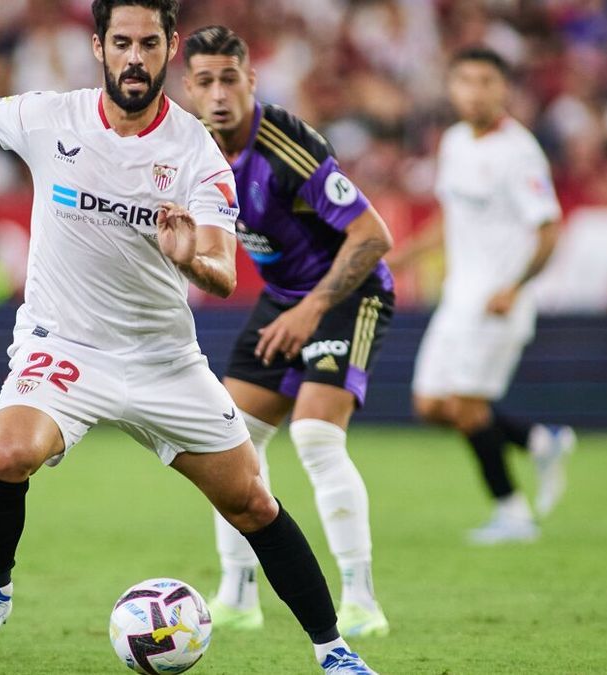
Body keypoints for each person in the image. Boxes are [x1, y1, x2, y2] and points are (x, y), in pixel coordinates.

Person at [0, 2, 378, 672]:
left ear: (170, 47)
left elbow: (224, 271)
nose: (135, 58)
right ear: (99, 47)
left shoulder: (196, 151)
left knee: (252, 500)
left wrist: (188, 256)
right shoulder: (52, 117)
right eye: (122, 43)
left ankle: (333, 649)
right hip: (65, 346)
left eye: (148, 43)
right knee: (8, 452)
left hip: (163, 362)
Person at [181, 26, 394, 637]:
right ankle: (238, 596)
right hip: (283, 299)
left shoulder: (285, 145)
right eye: (204, 81)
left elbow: (374, 234)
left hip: (349, 293)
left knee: (316, 438)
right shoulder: (191, 147)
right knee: (226, 439)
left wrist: (308, 310)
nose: (219, 93)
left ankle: (361, 601)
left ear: (251, 80)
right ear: (189, 89)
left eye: (229, 79)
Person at [387, 46, 576, 546]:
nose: (475, 90)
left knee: (469, 410)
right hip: (458, 297)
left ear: (503, 88)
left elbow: (549, 229)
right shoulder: (453, 142)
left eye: (486, 81)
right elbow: (450, 218)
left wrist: (514, 287)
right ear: (452, 87)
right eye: (465, 80)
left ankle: (512, 513)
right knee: (430, 405)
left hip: (497, 300)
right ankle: (539, 439)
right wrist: (399, 258)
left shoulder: (520, 152)